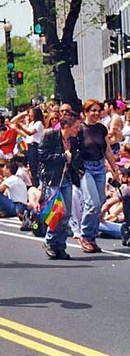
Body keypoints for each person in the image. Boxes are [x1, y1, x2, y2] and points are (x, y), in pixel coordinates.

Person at [38, 111, 83, 259]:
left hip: (66, 178)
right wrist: (63, 157)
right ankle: (50, 241)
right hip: (53, 178)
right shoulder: (51, 136)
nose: (78, 130)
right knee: (58, 212)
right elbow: (42, 156)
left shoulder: (74, 141)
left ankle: (60, 245)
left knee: (67, 214)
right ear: (66, 126)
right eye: (76, 127)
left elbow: (74, 159)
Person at [78, 99, 119, 253]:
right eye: (92, 110)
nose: (95, 113)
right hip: (86, 168)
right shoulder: (80, 129)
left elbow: (107, 149)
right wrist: (77, 168)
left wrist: (115, 168)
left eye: (98, 110)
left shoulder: (102, 129)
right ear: (85, 112)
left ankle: (92, 237)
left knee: (100, 201)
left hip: (100, 167)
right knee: (92, 203)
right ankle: (85, 235)